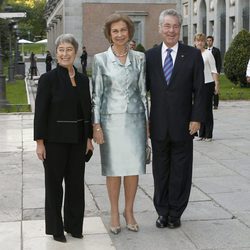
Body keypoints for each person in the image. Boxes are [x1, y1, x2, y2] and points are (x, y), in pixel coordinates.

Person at [145, 9, 205, 229]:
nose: (171, 31)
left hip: (184, 125)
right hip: (158, 125)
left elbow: (200, 90)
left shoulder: (192, 55)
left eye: (175, 26)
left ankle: (176, 212)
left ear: (181, 29)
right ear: (160, 28)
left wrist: (197, 118)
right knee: (160, 171)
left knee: (181, 171)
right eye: (167, 26)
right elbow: (142, 92)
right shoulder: (150, 57)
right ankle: (162, 211)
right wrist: (144, 121)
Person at [92, 13, 148, 234]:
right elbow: (96, 96)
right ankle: (114, 212)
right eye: (115, 31)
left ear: (129, 32)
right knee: (114, 169)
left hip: (135, 121)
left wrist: (147, 123)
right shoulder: (100, 59)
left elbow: (144, 94)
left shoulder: (140, 59)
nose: (119, 34)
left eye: (123, 30)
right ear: (109, 34)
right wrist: (96, 126)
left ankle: (129, 211)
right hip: (110, 122)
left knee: (133, 168)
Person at [34, 34, 93, 243]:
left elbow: (87, 110)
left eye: (69, 49)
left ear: (75, 52)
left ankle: (74, 226)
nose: (65, 53)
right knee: (54, 186)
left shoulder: (84, 79)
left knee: (76, 186)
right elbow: (40, 112)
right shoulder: (48, 79)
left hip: (78, 141)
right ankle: (56, 228)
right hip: (54, 141)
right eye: (61, 49)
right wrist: (40, 142)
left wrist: (89, 138)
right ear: (56, 53)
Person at [194, 33, 219, 142]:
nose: (199, 43)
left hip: (207, 84)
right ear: (195, 42)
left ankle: (208, 134)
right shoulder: (193, 54)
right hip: (196, 85)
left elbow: (214, 70)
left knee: (207, 109)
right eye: (197, 40)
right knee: (199, 109)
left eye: (201, 41)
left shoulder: (208, 54)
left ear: (204, 42)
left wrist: (216, 84)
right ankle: (201, 133)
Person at [206, 35, 222, 109]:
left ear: (212, 41)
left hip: (214, 71)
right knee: (208, 87)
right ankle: (208, 102)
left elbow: (219, 62)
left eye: (210, 40)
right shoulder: (205, 50)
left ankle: (216, 104)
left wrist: (218, 72)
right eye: (208, 41)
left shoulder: (216, 50)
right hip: (207, 72)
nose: (209, 42)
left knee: (215, 87)